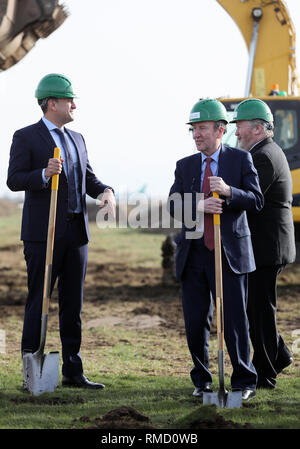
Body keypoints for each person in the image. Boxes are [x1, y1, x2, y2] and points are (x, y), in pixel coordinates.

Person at [7, 73, 116, 390]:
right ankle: (32, 372)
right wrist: (43, 173)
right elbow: (14, 179)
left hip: (75, 235)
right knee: (38, 300)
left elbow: (90, 180)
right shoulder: (26, 137)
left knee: (73, 306)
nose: (75, 105)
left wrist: (106, 192)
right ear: (51, 103)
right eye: (70, 100)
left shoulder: (77, 138)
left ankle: (73, 370)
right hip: (43, 234)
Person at [168, 99, 264, 401]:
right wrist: (198, 204)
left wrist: (229, 192)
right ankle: (201, 380)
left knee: (235, 320)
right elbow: (172, 205)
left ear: (221, 130)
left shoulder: (240, 160)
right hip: (193, 255)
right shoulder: (184, 166)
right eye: (193, 129)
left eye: (202, 129)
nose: (197, 134)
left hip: (229, 255)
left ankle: (244, 381)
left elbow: (256, 200)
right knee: (196, 322)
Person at [232, 98, 296, 389]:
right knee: (257, 309)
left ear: (257, 129)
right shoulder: (266, 151)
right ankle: (279, 355)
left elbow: (251, 197)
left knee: (259, 311)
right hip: (268, 245)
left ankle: (266, 375)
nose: (236, 133)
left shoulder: (263, 157)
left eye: (240, 127)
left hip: (267, 247)